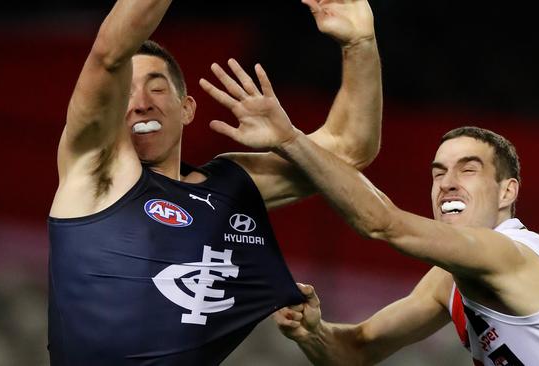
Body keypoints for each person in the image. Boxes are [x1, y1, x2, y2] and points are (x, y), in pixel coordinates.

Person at [200, 61, 539, 364]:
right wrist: (314, 333)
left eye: (468, 170)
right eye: (438, 172)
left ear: (507, 192)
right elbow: (358, 350)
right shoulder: (448, 281)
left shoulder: (508, 253)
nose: (447, 182)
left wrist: (290, 140)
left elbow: (383, 223)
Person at [47, 0, 381, 364]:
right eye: (125, 91)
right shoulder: (94, 169)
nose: (141, 102)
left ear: (187, 108)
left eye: (156, 88)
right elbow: (109, 54)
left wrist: (359, 44)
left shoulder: (230, 186)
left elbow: (348, 151)